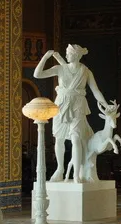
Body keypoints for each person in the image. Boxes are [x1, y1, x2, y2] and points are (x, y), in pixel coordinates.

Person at [33, 45, 108, 182]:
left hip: (78, 105)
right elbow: (37, 74)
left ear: (77, 55)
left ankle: (76, 174)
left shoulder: (85, 71)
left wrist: (105, 105)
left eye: (69, 53)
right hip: (61, 104)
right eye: (66, 53)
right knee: (59, 138)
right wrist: (45, 57)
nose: (66, 56)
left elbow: (95, 91)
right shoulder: (60, 68)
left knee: (76, 138)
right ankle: (60, 169)